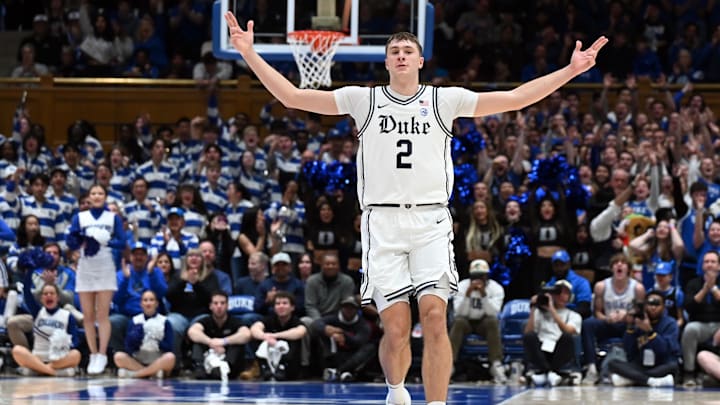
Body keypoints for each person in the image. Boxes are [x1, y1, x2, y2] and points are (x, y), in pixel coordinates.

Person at [224, 11, 608, 404]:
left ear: (421, 61)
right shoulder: (364, 99)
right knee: (396, 328)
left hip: (430, 219)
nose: (402, 56)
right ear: (386, 61)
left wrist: (570, 71)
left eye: (408, 51)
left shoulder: (444, 99)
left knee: (436, 317)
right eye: (395, 52)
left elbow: (515, 98)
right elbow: (293, 97)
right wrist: (249, 53)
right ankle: (395, 391)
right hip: (382, 221)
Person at [66, 184, 127, 375]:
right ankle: (93, 353)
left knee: (102, 315)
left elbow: (122, 242)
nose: (97, 196)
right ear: (89, 197)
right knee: (88, 315)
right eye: (93, 193)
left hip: (105, 266)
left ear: (105, 196)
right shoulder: (80, 217)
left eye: (101, 193)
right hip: (85, 267)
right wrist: (81, 241)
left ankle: (102, 353)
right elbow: (71, 240)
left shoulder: (113, 218)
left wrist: (106, 240)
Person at [448, 259, 506, 384]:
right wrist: (467, 296)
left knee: (492, 321)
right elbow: (459, 312)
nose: (478, 280)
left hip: (483, 322)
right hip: (467, 321)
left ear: (487, 276)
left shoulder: (496, 288)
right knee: (458, 322)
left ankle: (496, 364)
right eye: (475, 276)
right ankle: (449, 364)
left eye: (481, 276)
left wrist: (484, 296)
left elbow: (493, 312)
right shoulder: (462, 286)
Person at [607, 291, 679, 387]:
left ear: (663, 307)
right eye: (650, 304)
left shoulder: (670, 323)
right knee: (612, 363)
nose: (653, 308)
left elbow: (664, 351)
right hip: (641, 365)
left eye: (657, 304)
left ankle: (631, 379)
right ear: (645, 306)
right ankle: (651, 381)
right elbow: (629, 351)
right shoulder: (638, 321)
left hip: (662, 364)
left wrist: (650, 332)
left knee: (673, 366)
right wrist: (630, 326)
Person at [523, 280, 582, 387]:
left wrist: (552, 310)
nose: (561, 296)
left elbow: (568, 331)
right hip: (542, 350)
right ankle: (549, 372)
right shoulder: (539, 312)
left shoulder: (574, 315)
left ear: (570, 296)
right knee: (529, 336)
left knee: (567, 337)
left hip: (559, 351)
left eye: (565, 293)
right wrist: (533, 309)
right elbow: (528, 331)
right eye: (558, 293)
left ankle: (545, 373)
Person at [187, 291, 252, 380]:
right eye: (216, 303)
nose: (219, 306)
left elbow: (246, 334)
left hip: (229, 361)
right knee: (197, 342)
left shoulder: (235, 321)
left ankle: (224, 368)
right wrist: (210, 342)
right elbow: (192, 332)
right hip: (209, 356)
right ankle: (199, 368)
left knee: (237, 343)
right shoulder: (206, 320)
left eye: (222, 303)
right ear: (210, 306)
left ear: (227, 306)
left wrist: (223, 341)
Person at [113, 290, 175, 379]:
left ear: (157, 303)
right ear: (141, 304)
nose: (148, 303)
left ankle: (135, 374)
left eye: (151, 300)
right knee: (118, 356)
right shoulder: (135, 320)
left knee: (170, 357)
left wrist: (158, 343)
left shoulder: (164, 321)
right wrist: (135, 340)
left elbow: (170, 347)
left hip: (157, 358)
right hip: (138, 359)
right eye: (145, 300)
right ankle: (151, 373)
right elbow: (128, 348)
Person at [681, 250, 720, 387]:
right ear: (702, 265)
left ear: (719, 266)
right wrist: (704, 289)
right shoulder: (693, 283)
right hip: (700, 324)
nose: (709, 265)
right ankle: (689, 373)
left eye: (713, 262)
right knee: (690, 329)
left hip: (719, 324)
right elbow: (688, 307)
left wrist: (713, 288)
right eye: (706, 262)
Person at [546, 250, 592, 319]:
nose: (559, 268)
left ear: (569, 264)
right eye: (556, 265)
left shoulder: (581, 283)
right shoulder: (549, 284)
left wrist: (563, 314)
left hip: (575, 317)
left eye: (562, 264)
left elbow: (584, 308)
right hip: (553, 316)